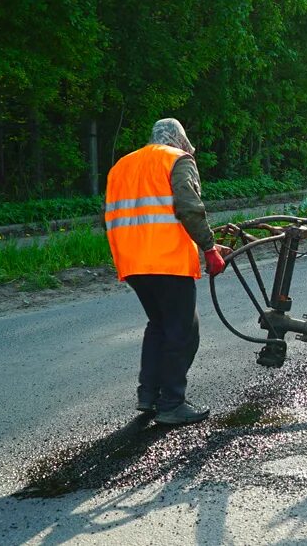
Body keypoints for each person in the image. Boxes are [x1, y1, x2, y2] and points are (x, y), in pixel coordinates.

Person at [104, 118, 230, 426]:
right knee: (183, 330)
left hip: (132, 263)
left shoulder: (122, 164)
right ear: (180, 140)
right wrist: (210, 248)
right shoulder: (177, 159)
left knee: (159, 325)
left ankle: (148, 395)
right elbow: (188, 207)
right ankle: (171, 402)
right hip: (166, 261)